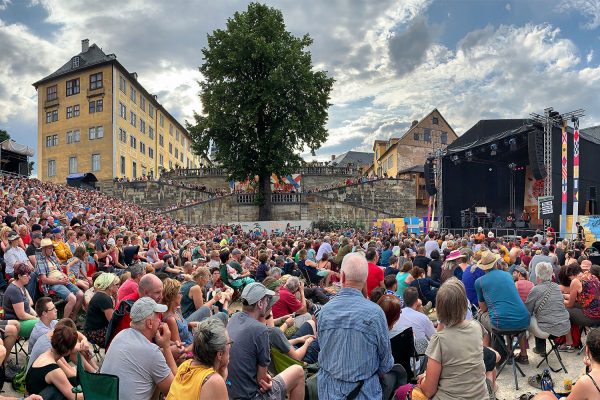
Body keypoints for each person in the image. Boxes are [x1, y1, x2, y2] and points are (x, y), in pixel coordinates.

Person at [317, 252, 393, 399]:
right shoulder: (376, 314)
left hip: (329, 392)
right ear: (365, 279)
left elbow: (323, 348)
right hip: (365, 393)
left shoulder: (324, 312)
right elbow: (386, 362)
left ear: (342, 276)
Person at [227, 282, 305, 400]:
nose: (269, 304)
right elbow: (262, 381)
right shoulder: (261, 330)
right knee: (298, 372)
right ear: (260, 303)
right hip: (251, 396)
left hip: (231, 392)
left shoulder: (234, 318)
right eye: (267, 300)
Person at [415, 278, 489, 400]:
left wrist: (423, 380)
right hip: (480, 395)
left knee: (404, 391)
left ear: (440, 306)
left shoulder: (440, 340)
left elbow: (429, 390)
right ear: (464, 303)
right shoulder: (476, 327)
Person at [101, 297, 177, 399]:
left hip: (104, 396)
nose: (160, 321)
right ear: (149, 323)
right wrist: (166, 347)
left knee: (156, 378)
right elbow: (175, 390)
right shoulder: (151, 351)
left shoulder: (120, 335)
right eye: (157, 316)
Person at [475, 250, 530, 363]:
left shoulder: (479, 282)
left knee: (481, 315)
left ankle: (490, 355)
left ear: (483, 267)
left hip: (501, 324)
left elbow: (483, 308)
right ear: (496, 263)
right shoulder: (508, 275)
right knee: (508, 316)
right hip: (524, 320)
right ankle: (523, 355)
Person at [166, 318, 230, 400]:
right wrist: (222, 377)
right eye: (229, 343)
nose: (230, 346)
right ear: (220, 354)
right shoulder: (214, 381)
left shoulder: (186, 365)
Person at [525, 262, 571, 356]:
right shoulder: (557, 287)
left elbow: (527, 311)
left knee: (532, 317)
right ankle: (540, 348)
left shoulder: (536, 289)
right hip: (563, 327)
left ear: (538, 277)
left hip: (547, 330)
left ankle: (540, 348)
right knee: (542, 316)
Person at [25, 323, 80, 399]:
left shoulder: (46, 354)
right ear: (68, 351)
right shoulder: (54, 370)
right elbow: (74, 397)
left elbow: (71, 375)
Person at [36, 238, 84, 320]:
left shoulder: (53, 258)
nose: (52, 250)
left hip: (62, 280)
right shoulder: (40, 261)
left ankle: (73, 317)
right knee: (72, 299)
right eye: (49, 248)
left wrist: (65, 276)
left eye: (52, 247)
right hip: (53, 284)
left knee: (80, 294)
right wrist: (60, 281)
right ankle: (64, 322)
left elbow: (60, 270)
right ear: (43, 249)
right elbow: (44, 280)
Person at [392, 287, 435, 352]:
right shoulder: (423, 317)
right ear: (417, 301)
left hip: (399, 353)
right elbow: (434, 338)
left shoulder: (396, 315)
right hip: (418, 356)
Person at [3, 263, 38, 337]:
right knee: (44, 325)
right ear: (19, 276)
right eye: (27, 275)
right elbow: (21, 315)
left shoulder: (21, 287)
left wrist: (37, 315)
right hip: (17, 322)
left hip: (24, 320)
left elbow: (29, 305)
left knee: (47, 322)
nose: (30, 277)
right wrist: (37, 319)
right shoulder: (14, 290)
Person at [84, 272, 119, 346]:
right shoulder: (104, 298)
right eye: (116, 284)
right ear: (109, 286)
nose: (118, 286)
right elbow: (113, 321)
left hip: (93, 330)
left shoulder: (102, 295)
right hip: (96, 333)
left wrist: (116, 299)